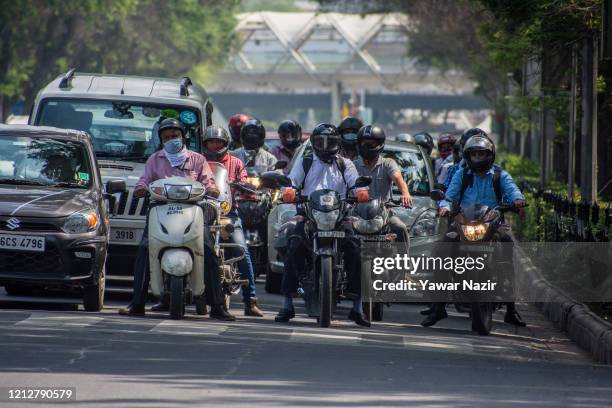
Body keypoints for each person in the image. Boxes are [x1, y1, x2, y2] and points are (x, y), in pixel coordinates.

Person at [118, 118, 235, 320]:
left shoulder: (197, 160)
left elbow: (208, 182)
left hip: (192, 211)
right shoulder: (155, 159)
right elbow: (144, 180)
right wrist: (140, 188)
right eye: (166, 138)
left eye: (175, 136)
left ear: (183, 136)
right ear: (161, 141)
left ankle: (217, 306)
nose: (171, 140)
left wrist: (212, 189)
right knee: (145, 249)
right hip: (160, 211)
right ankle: (137, 303)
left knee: (208, 249)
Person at [421, 133, 527, 328]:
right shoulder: (462, 174)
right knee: (441, 252)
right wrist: (445, 206)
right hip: (463, 223)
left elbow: (512, 190)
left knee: (508, 247)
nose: (477, 159)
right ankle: (438, 307)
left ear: (490, 155)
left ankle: (511, 310)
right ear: (467, 156)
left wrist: (517, 201)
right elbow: (450, 195)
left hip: (493, 224)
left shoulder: (499, 175)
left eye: (481, 154)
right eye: (474, 155)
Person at [274, 123, 371, 327]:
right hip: (309, 215)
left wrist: (360, 193)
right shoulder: (306, 161)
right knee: (293, 242)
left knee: (356, 248)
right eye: (321, 142)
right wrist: (289, 192)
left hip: (340, 216)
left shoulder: (346, 164)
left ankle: (357, 306)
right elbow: (291, 182)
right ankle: (287, 303)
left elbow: (356, 185)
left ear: (338, 143)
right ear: (314, 143)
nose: (325, 146)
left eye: (331, 142)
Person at [201, 125, 264, 317]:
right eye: (211, 142)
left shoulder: (236, 162)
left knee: (241, 249)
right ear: (205, 144)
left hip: (228, 214)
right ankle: (171, 295)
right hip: (201, 213)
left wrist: (244, 186)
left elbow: (244, 180)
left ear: (225, 143)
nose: (215, 145)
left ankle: (250, 300)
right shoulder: (198, 160)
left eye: (218, 142)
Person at [353, 125, 413, 245]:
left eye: (371, 144)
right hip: (357, 214)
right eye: (364, 143)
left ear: (380, 145)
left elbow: (398, 178)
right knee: (343, 232)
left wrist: (405, 194)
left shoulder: (388, 163)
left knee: (400, 228)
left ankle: (404, 262)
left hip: (384, 213)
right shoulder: (353, 165)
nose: (367, 147)